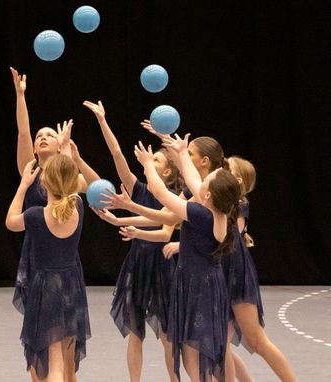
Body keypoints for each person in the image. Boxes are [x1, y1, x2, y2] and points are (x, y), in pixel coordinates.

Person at [83, 100, 180, 382]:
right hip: (137, 265)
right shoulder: (137, 189)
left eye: (158, 160)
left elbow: (161, 225)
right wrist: (102, 120)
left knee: (166, 336)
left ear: (167, 173)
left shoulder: (173, 198)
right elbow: (116, 155)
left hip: (162, 266)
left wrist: (121, 221)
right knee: (135, 334)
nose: (150, 158)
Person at [11, 67, 97, 382]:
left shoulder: (69, 177)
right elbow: (22, 132)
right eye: (40, 136)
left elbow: (99, 188)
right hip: (37, 257)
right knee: (42, 340)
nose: (42, 137)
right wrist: (21, 97)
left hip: (62, 260)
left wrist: (69, 153)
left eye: (48, 134)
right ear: (34, 148)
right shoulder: (30, 170)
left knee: (65, 345)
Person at [135, 134, 239, 382]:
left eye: (207, 182)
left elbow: (161, 193)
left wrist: (148, 164)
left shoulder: (199, 214)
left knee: (193, 358)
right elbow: (194, 181)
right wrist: (182, 152)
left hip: (196, 287)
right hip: (208, 285)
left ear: (208, 195)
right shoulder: (218, 212)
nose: (199, 182)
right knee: (202, 354)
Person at [6, 155, 91, 382]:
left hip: (46, 288)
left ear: (43, 183)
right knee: (65, 357)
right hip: (72, 286)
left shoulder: (35, 215)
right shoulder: (79, 207)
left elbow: (10, 221)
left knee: (54, 364)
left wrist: (23, 186)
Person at [224, 156, 297, 382]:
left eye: (227, 167)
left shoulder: (238, 204)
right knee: (218, 343)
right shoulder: (219, 197)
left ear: (237, 180)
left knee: (257, 341)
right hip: (219, 270)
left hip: (235, 271)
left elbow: (230, 237)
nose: (222, 168)